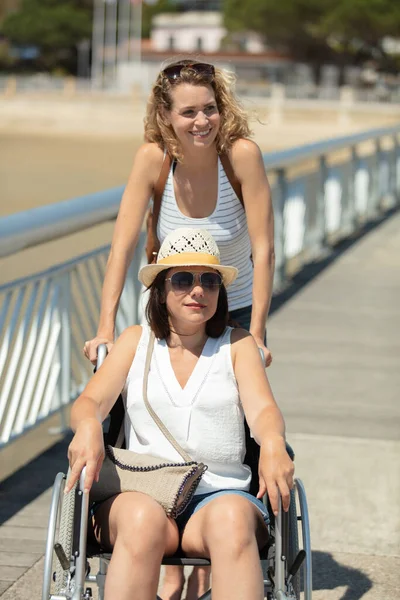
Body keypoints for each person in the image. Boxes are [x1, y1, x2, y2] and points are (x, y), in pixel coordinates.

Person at [83, 58, 275, 600]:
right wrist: (103, 327)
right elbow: (121, 246)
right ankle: (166, 558)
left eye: (210, 108)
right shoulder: (154, 161)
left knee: (226, 424)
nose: (202, 121)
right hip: (172, 298)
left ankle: (213, 550)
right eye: (188, 111)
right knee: (153, 411)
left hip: (230, 302)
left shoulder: (240, 156)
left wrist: (256, 331)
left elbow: (263, 248)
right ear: (164, 117)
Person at [69, 228, 293, 600]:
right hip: (144, 493)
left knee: (232, 522)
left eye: (209, 280)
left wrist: (272, 441)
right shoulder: (135, 341)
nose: (198, 290)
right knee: (141, 522)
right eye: (183, 279)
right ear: (159, 289)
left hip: (219, 497)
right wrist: (90, 424)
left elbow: (264, 410)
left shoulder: (237, 346)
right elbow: (89, 403)